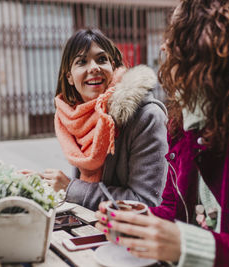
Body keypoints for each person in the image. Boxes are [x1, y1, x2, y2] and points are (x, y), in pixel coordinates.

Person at [95, 0, 229, 266]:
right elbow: (174, 210)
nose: (164, 48)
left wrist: (188, 245)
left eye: (177, 38)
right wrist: (139, 222)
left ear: (212, 49)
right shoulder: (185, 124)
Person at [40, 28, 168, 211]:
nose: (93, 68)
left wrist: (71, 188)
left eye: (101, 59)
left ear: (113, 67)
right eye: (81, 62)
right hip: (95, 226)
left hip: (134, 235)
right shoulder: (76, 120)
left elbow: (145, 202)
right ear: (69, 77)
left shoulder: (146, 118)